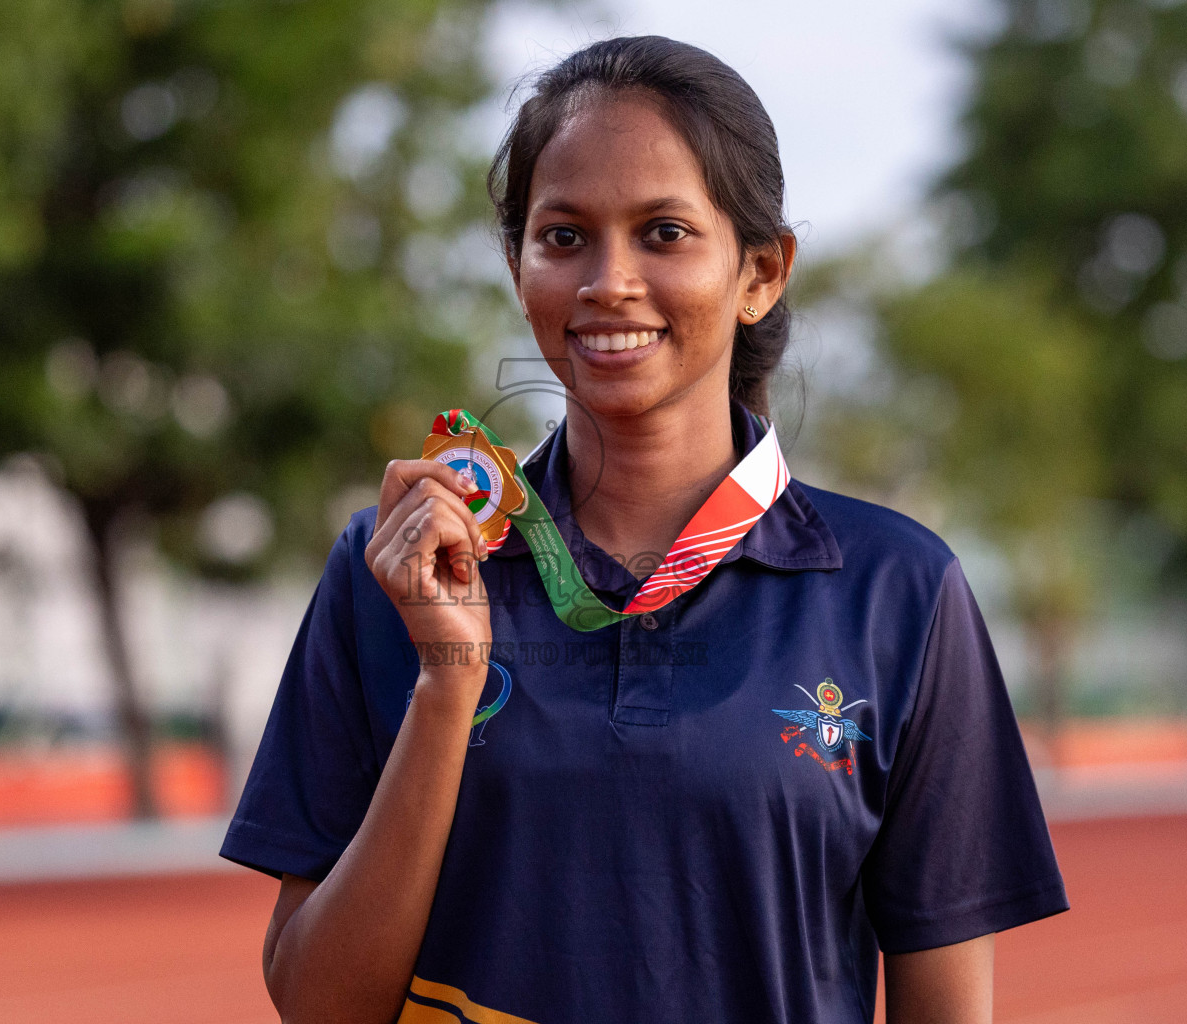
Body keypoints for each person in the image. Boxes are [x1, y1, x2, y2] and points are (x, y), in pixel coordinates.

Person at [222, 35, 1067, 1024]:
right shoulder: (394, 569)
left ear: (761, 272)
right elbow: (320, 1008)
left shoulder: (899, 592)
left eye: (663, 233)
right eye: (564, 235)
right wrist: (446, 683)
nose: (608, 281)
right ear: (516, 262)